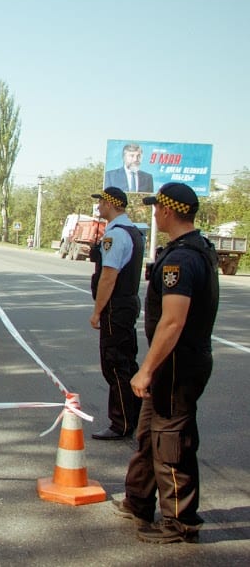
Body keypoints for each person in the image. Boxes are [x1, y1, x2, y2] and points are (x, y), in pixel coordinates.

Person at [116, 182, 219, 544]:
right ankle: (138, 501)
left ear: (170, 211)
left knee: (170, 441)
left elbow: (173, 320)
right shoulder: (196, 249)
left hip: (178, 365)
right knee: (148, 435)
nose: (155, 213)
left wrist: (146, 369)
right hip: (172, 362)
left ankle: (180, 522)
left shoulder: (181, 258)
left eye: (157, 207)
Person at [88, 186, 144, 440]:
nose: (98, 207)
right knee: (127, 362)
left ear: (110, 204)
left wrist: (98, 311)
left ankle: (120, 422)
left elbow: (108, 277)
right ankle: (134, 416)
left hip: (116, 306)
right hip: (126, 304)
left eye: (101, 203)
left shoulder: (116, 235)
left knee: (115, 364)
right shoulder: (131, 232)